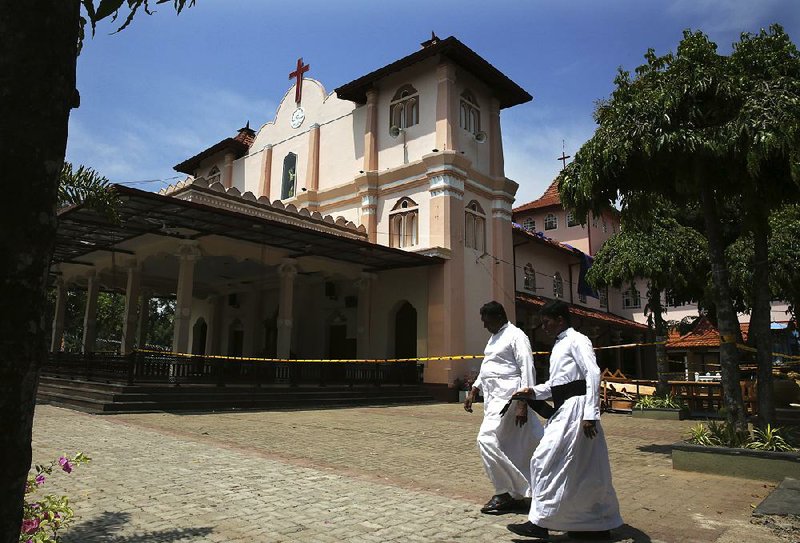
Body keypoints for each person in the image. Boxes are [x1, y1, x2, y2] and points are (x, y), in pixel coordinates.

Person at [507, 299, 622, 540]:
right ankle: (588, 525)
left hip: (577, 411)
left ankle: (541, 523)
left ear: (560, 320)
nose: (544, 327)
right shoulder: (559, 345)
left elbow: (592, 373)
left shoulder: (577, 340)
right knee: (581, 468)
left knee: (543, 460)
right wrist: (533, 392)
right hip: (566, 408)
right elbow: (557, 385)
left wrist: (590, 413)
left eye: (547, 322)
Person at [464, 301, 544, 514]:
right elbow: (488, 366)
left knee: (486, 440)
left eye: (486, 321)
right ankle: (519, 493)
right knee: (512, 446)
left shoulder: (517, 336)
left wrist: (523, 403)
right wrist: (474, 388)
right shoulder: (493, 338)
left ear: (498, 316)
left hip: (510, 399)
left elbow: (527, 369)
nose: (484, 326)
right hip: (493, 400)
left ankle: (505, 492)